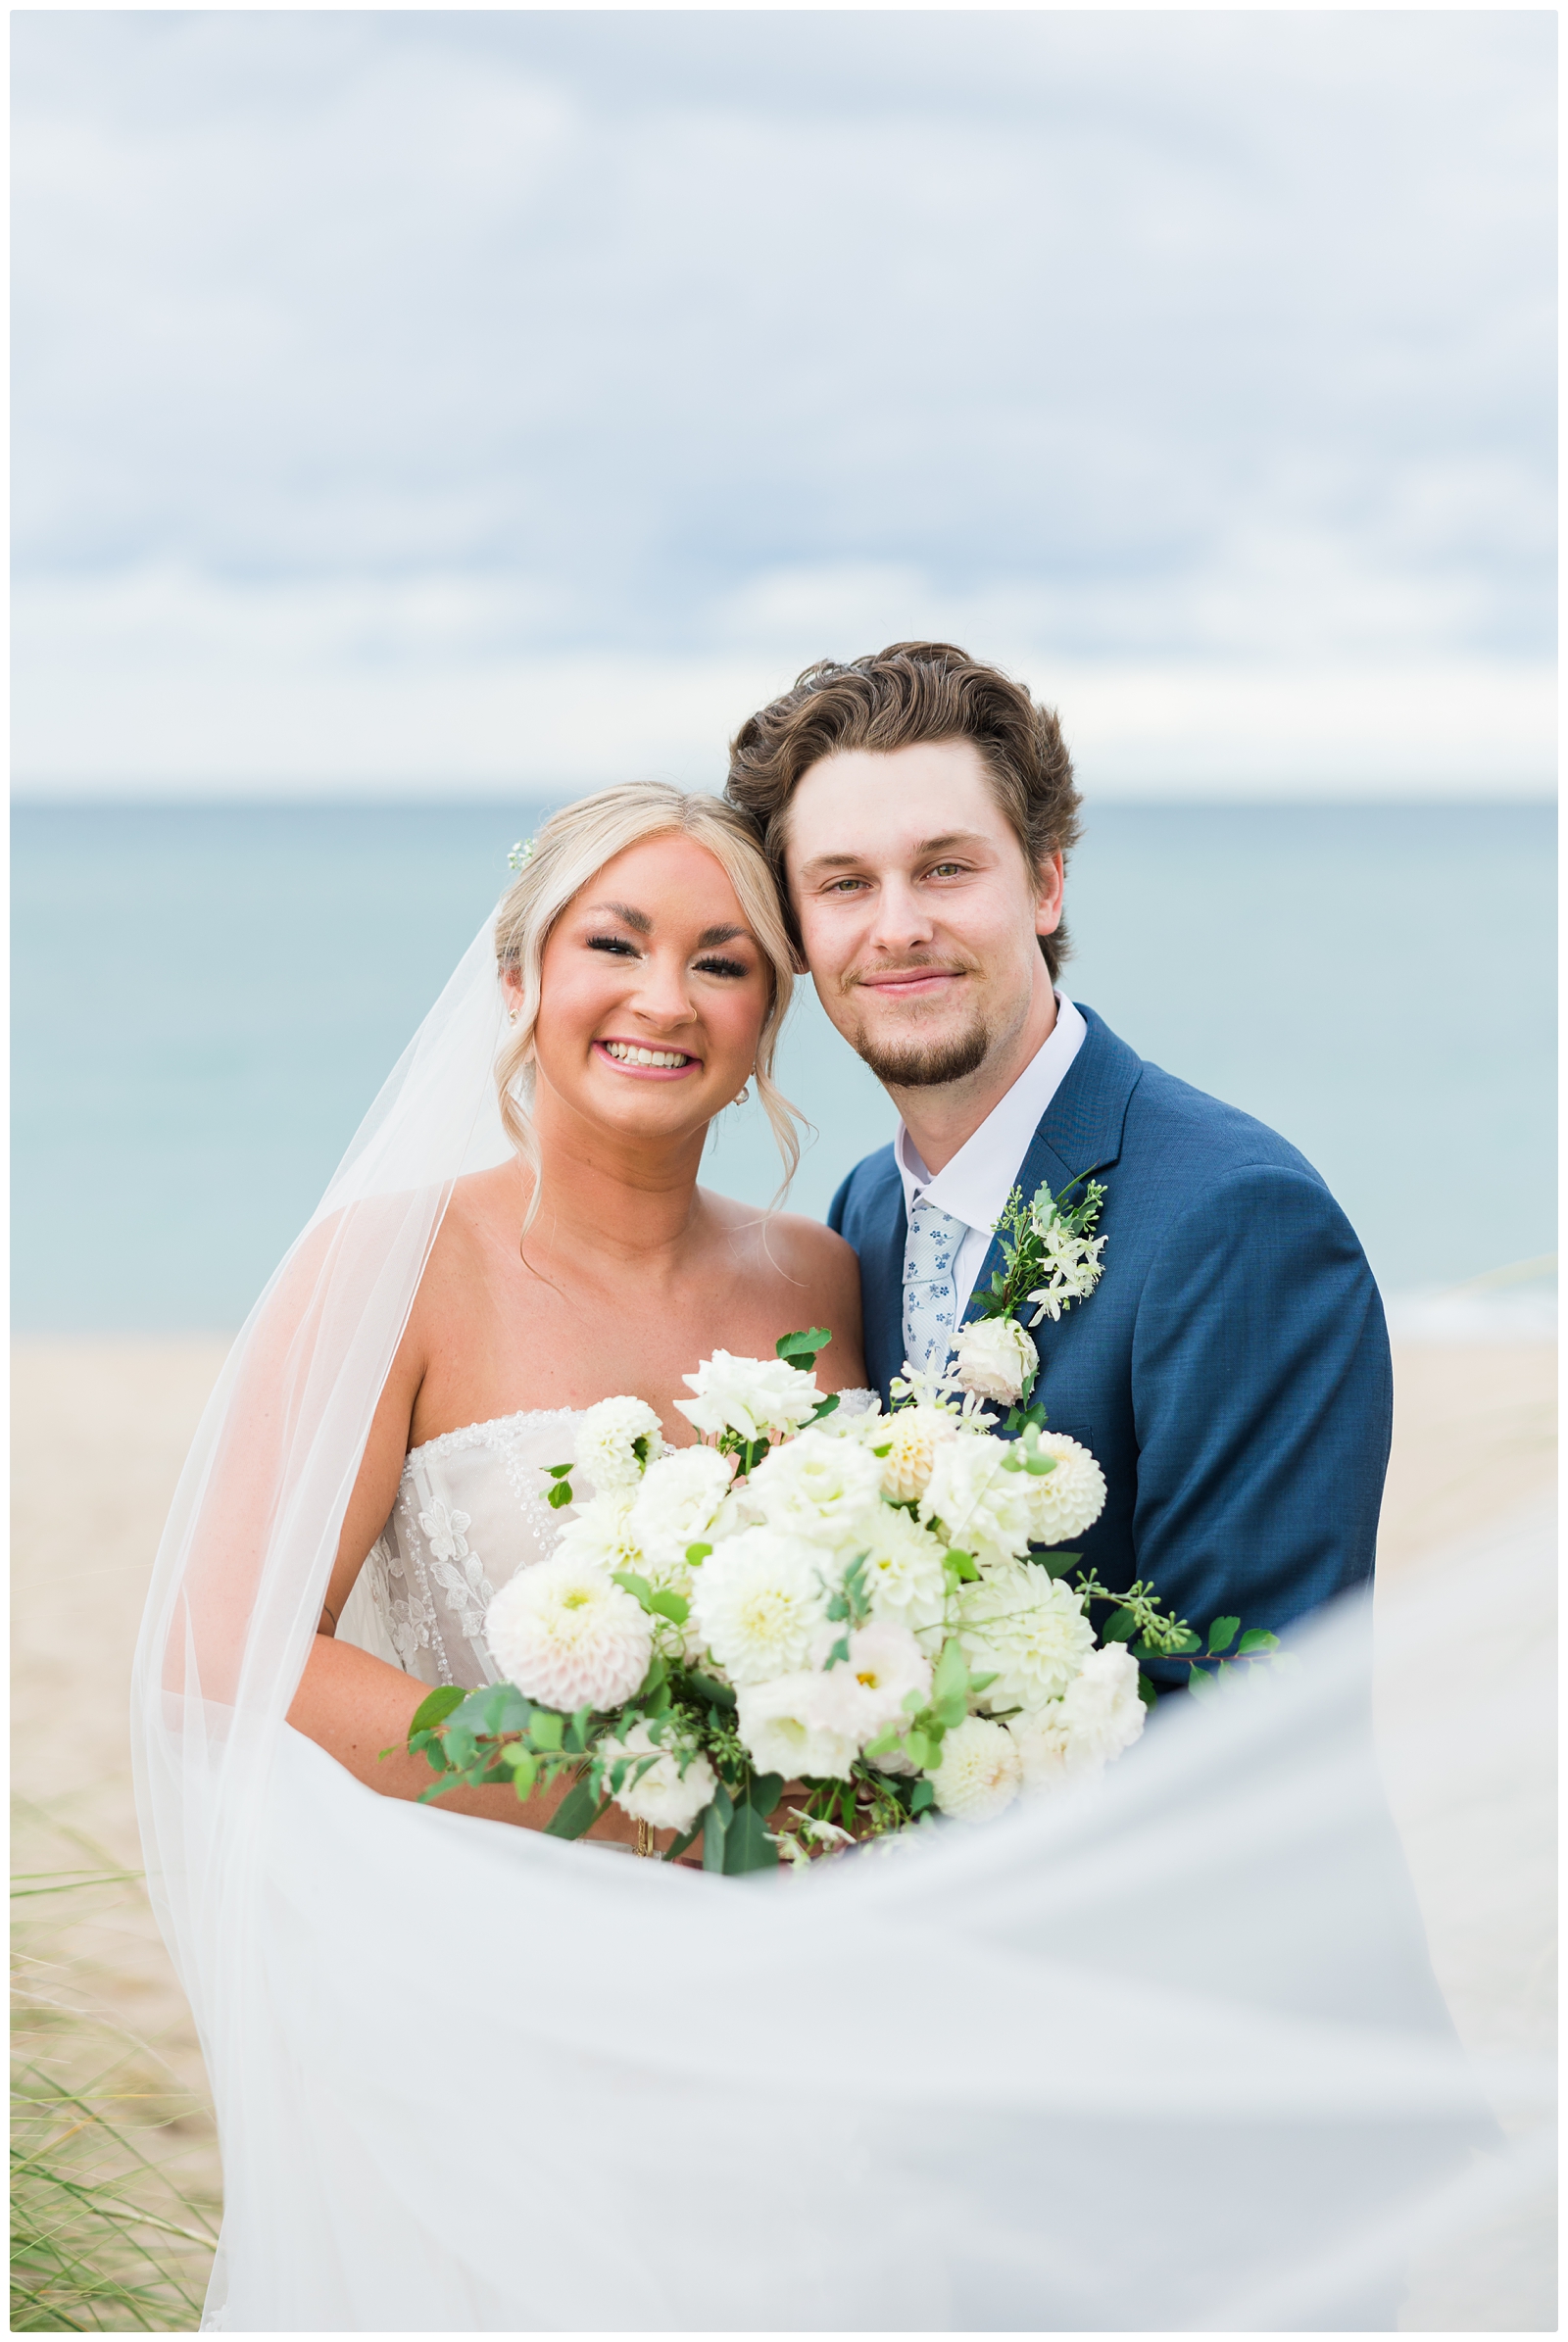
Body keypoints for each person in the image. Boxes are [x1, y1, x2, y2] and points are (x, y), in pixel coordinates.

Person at [130, 774, 1516, 2335]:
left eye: (723, 960)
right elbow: (221, 1651)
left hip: (818, 2036)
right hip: (512, 1999)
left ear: (769, 1016)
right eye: (615, 944)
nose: (666, 997)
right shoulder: (393, 1266)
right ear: (519, 979)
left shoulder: (819, 1259)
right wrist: (647, 1800)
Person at [725, 642, 1393, 1671]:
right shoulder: (863, 1210)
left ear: (1044, 884)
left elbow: (1255, 1716)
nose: (898, 927)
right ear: (799, 932)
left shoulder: (1239, 1218)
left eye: (945, 867)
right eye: (846, 883)